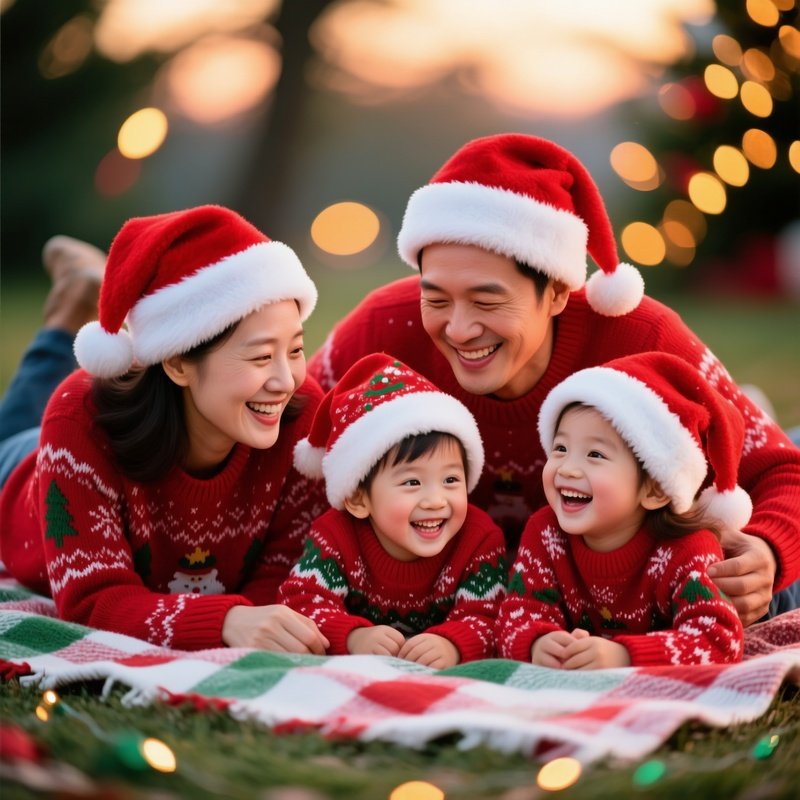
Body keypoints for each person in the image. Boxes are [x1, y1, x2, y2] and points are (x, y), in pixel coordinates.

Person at [307, 133, 800, 627]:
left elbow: (783, 471)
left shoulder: (642, 336)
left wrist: (769, 550)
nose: (457, 329)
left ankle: (730, 414)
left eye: (487, 301)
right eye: (436, 299)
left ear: (559, 292)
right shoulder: (384, 331)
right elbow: (289, 442)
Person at [0, 205, 331, 654]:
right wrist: (225, 620)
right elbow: (92, 600)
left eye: (295, 349)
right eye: (259, 356)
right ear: (177, 361)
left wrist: (254, 621)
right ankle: (73, 308)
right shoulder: (80, 419)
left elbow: (283, 575)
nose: (285, 380)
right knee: (20, 422)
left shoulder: (298, 411)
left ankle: (91, 293)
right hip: (20, 473)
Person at [496, 352, 746, 668]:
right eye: (560, 448)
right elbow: (516, 614)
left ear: (655, 490)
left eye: (595, 454)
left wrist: (625, 655)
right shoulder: (546, 533)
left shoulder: (687, 550)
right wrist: (537, 641)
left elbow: (720, 641)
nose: (568, 468)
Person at [278, 353, 507, 668]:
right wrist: (353, 636)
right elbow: (300, 603)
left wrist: (452, 643)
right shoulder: (336, 537)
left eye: (451, 479)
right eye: (412, 482)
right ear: (359, 500)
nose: (436, 500)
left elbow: (490, 616)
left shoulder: (478, 539)